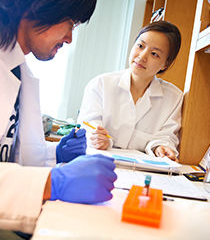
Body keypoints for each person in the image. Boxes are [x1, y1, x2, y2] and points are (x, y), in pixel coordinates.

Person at [0, 0, 117, 239]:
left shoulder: (19, 70)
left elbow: (4, 156)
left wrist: (56, 153)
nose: (69, 38)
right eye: (70, 23)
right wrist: (52, 182)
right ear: (36, 4)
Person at [78, 21, 183, 161]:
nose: (142, 56)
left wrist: (160, 148)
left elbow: (167, 137)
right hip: (98, 162)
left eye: (154, 54)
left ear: (165, 64)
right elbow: (88, 126)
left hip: (144, 170)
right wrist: (97, 138)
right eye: (140, 46)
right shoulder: (101, 84)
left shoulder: (174, 97)